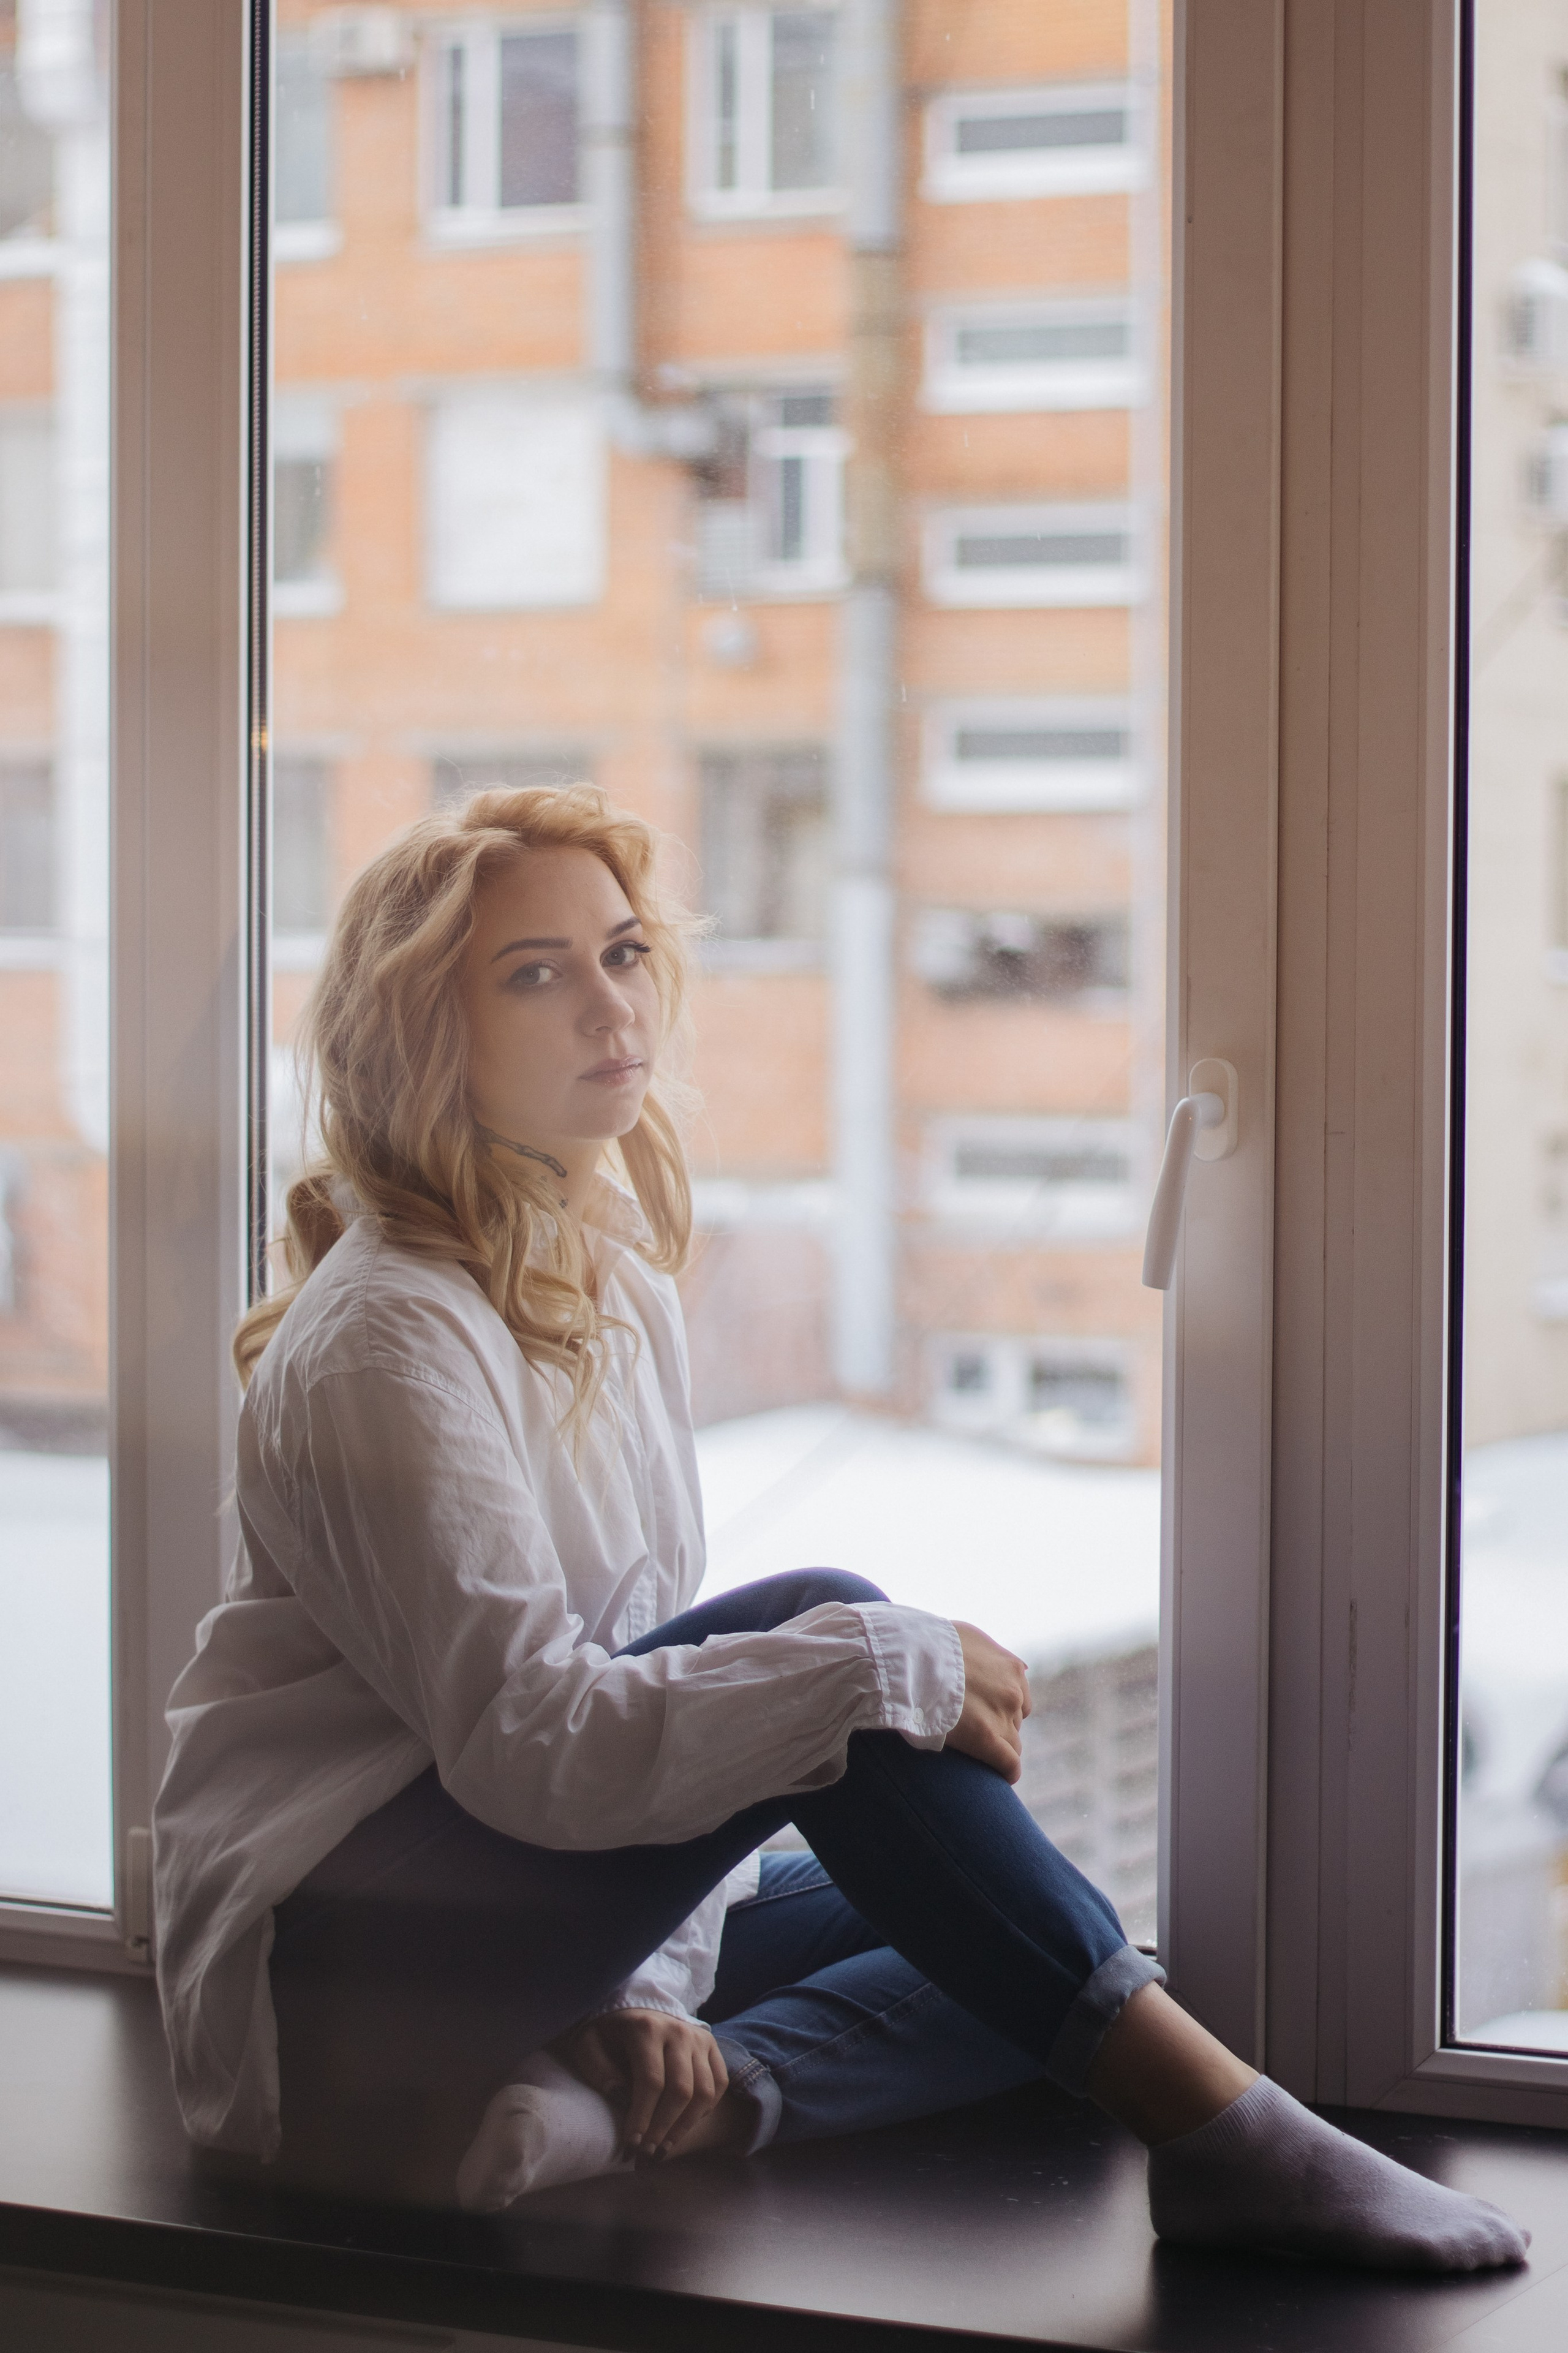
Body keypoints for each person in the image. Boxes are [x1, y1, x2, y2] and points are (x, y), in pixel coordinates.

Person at [154, 785, 1526, 2272]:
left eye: (621, 954)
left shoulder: (599, 1280)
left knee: (1051, 1951)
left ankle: (637, 2107)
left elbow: (614, 1748)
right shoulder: (386, 1338)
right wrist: (886, 1666)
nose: (610, 1006)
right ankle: (1222, 2140)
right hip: (337, 1969)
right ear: (423, 1031)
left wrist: (642, 1999)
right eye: (534, 973)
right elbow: (528, 1738)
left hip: (512, 1901)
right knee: (834, 1638)